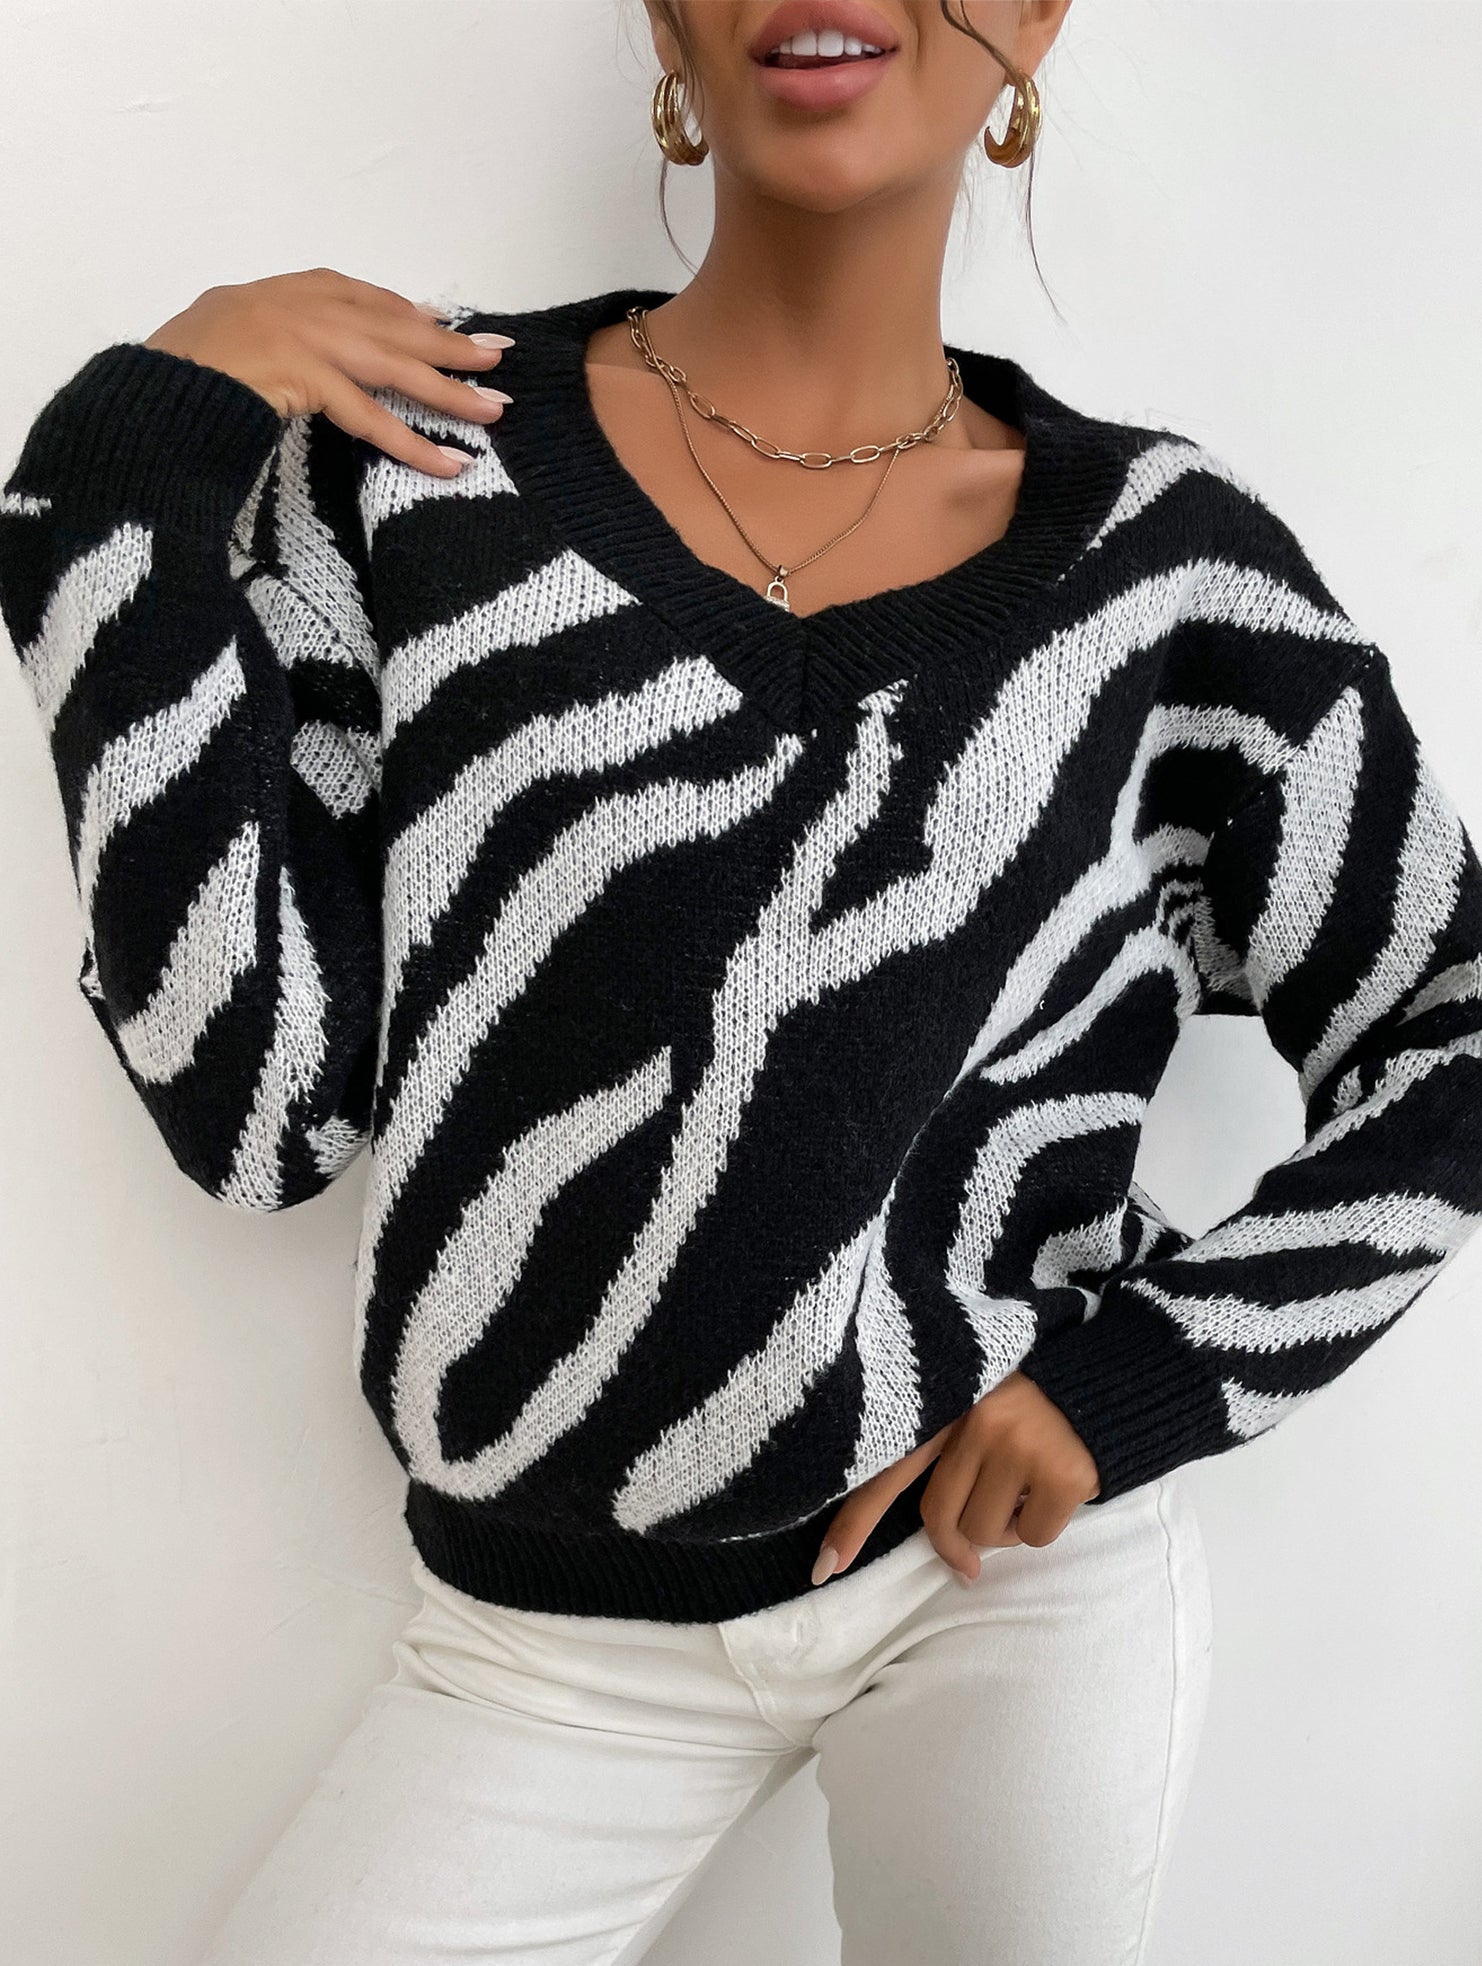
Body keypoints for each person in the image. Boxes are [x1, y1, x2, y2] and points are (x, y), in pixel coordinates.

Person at [2, 3, 1480, 1961]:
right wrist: (117, 472)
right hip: (545, 1640)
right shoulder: (416, 464)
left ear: (1035, 18)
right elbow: (255, 1112)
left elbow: (1449, 1033)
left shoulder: (1167, 579)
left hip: (999, 1591)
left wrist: (1137, 1378)